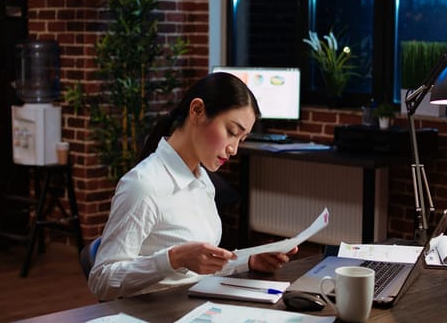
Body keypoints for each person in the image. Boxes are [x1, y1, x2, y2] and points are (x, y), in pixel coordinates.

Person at [88, 72, 298, 301]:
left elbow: (199, 267)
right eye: (231, 132)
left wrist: (249, 261)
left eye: (241, 139)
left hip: (197, 306)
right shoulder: (143, 185)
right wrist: (174, 259)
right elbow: (101, 280)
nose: (234, 149)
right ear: (197, 111)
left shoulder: (202, 179)